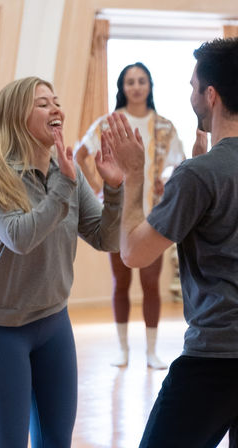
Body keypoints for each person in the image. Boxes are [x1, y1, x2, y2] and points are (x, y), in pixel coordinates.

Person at [104, 37, 238, 447]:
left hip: (223, 348)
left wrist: (134, 175)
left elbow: (134, 253)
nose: (191, 94)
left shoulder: (198, 175)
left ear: (210, 95)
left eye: (194, 86)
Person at [0, 77, 123, 448]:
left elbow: (106, 237)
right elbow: (21, 236)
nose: (56, 110)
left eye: (56, 101)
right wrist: (64, 186)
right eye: (43, 104)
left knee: (56, 442)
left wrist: (113, 189)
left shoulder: (66, 172)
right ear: (17, 117)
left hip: (53, 323)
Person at [75, 62, 185, 369]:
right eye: (129, 81)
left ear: (150, 86)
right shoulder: (108, 123)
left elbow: (182, 164)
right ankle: (123, 349)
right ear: (121, 87)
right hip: (118, 215)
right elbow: (80, 155)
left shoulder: (164, 125)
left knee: (151, 283)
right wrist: (97, 189)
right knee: (120, 282)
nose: (136, 86)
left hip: (154, 215)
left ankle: (151, 350)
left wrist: (168, 182)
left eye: (141, 81)